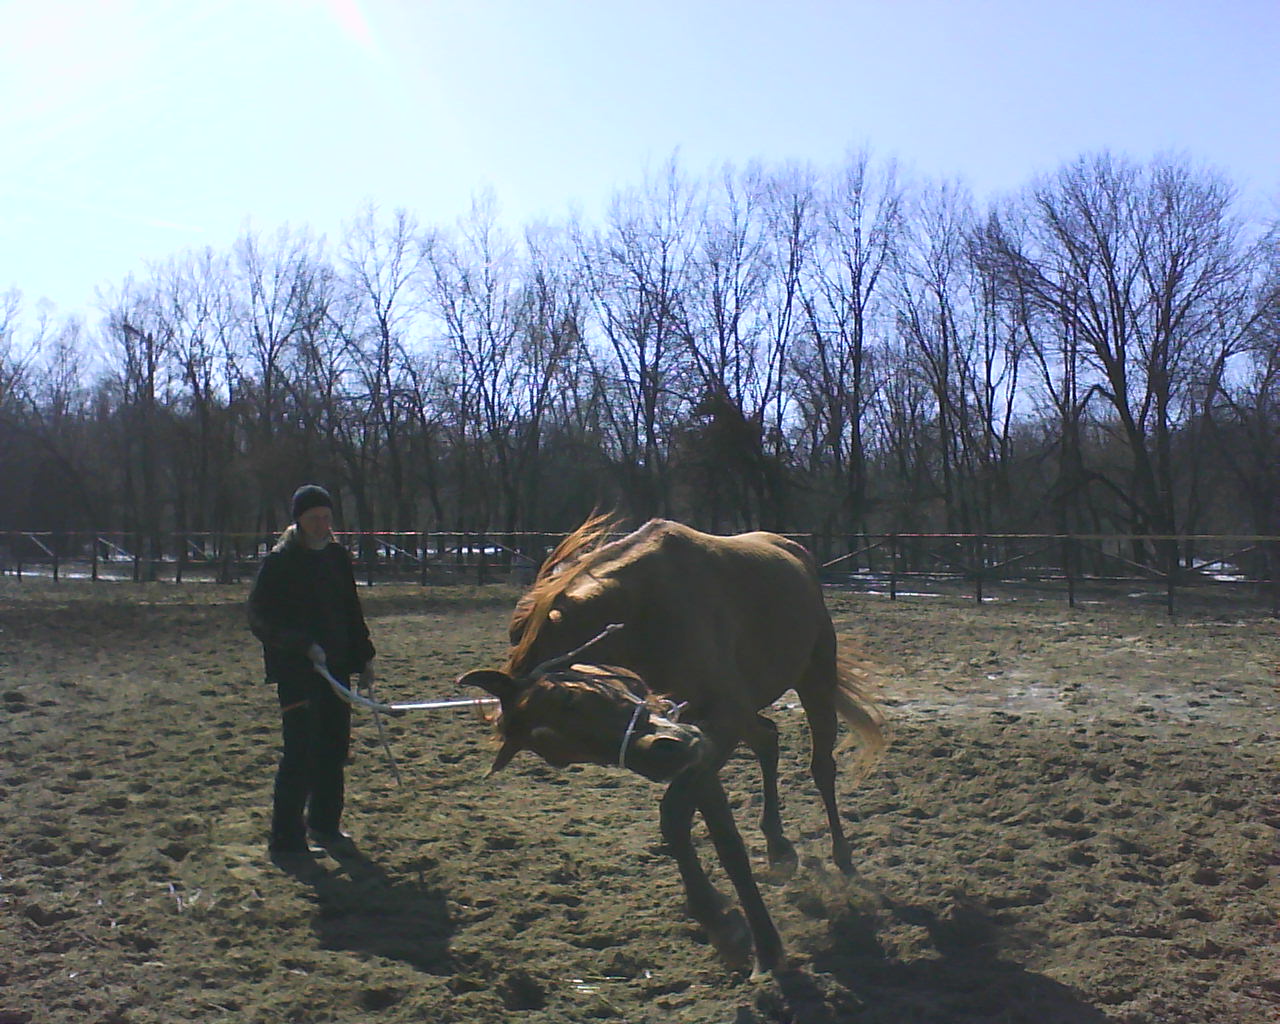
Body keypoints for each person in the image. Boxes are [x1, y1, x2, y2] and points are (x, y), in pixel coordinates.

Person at [248, 484, 375, 859]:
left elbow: (351, 610)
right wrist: (302, 644)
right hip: (297, 673)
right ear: (299, 521)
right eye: (314, 518)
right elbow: (259, 618)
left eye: (326, 517)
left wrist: (364, 657)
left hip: (336, 668)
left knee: (334, 748)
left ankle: (324, 824)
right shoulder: (280, 562)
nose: (322, 525)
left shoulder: (336, 558)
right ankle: (286, 841)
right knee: (300, 753)